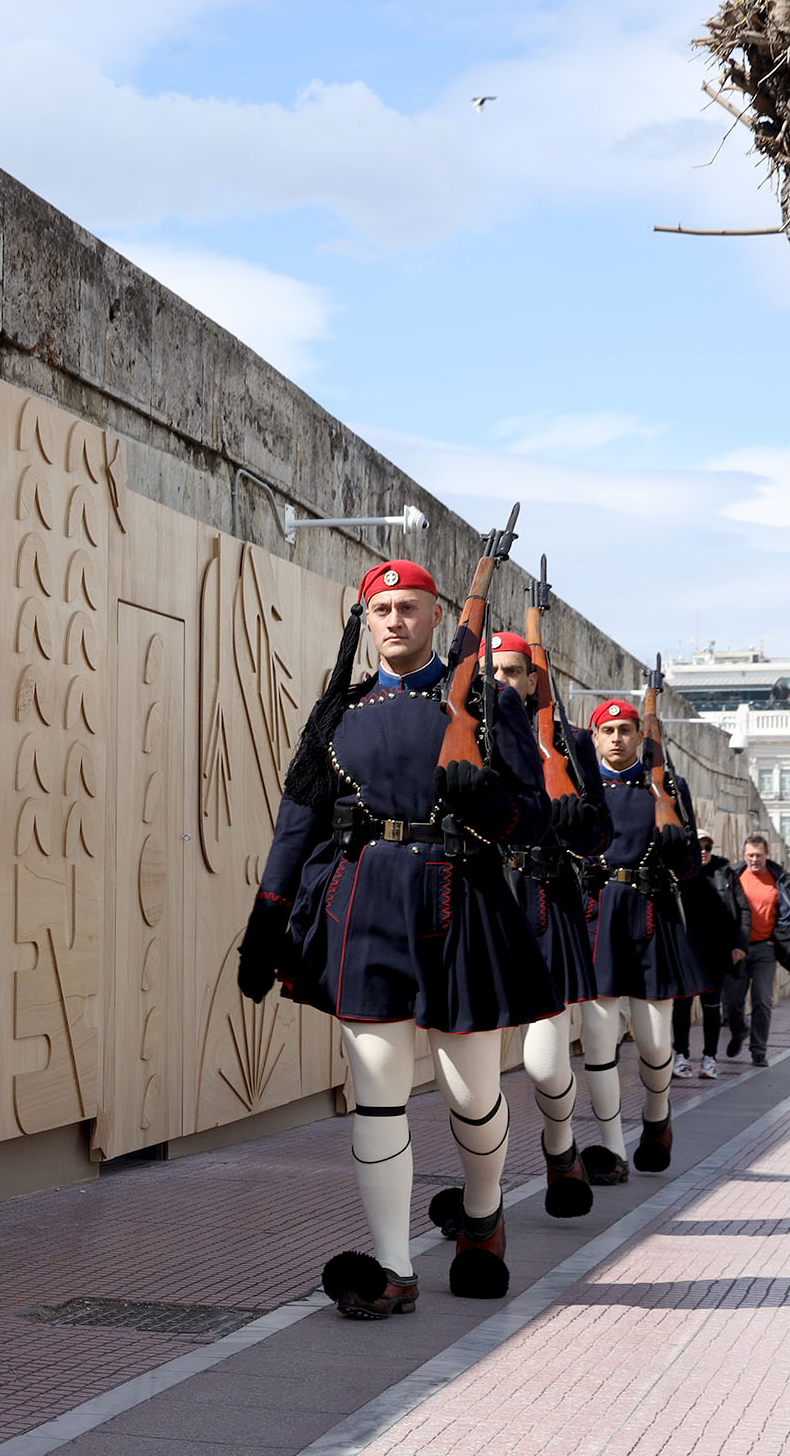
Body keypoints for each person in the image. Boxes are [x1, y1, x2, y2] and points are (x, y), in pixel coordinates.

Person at [238, 561, 559, 1320]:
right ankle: (392, 1266)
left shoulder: (485, 705)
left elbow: (537, 819)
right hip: (365, 903)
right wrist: (265, 922)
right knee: (377, 1096)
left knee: (472, 1095)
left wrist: (492, 805)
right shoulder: (339, 711)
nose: (393, 621)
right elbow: (297, 825)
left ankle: (481, 1216)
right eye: (381, 609)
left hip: (460, 897)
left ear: (436, 614)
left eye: (408, 608)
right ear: (365, 619)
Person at [485, 630, 610, 1218]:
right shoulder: (460, 727)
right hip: (483, 898)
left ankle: (560, 1146)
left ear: (534, 679)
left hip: (545, 900)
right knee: (474, 1073)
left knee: (543, 1064)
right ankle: (483, 1199)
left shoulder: (570, 742)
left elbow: (599, 834)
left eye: (514, 672)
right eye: (494, 671)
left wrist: (573, 818)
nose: (503, 682)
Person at [579, 696, 707, 1184]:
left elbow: (690, 868)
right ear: (595, 738)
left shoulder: (667, 786)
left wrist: (678, 853)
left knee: (655, 1044)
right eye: (607, 731)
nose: (617, 738)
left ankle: (657, 1115)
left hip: (651, 913)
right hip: (598, 916)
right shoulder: (580, 786)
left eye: (626, 730)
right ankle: (612, 1148)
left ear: (640, 736)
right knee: (598, 1041)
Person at [725, 833, 790, 1068]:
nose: (754, 860)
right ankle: (739, 1031)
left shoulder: (782, 880)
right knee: (733, 1002)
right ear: (743, 855)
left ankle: (758, 1051)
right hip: (737, 949)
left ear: (767, 854)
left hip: (765, 949)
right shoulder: (733, 876)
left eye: (759, 855)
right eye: (750, 855)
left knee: (762, 1000)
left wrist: (778, 940)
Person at [679, 832, 748, 1078]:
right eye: (698, 846)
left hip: (717, 952)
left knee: (711, 1006)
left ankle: (709, 1058)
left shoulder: (725, 873)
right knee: (682, 1005)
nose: (703, 851)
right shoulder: (680, 873)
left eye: (708, 847)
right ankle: (681, 1055)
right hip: (687, 951)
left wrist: (740, 945)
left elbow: (743, 909)